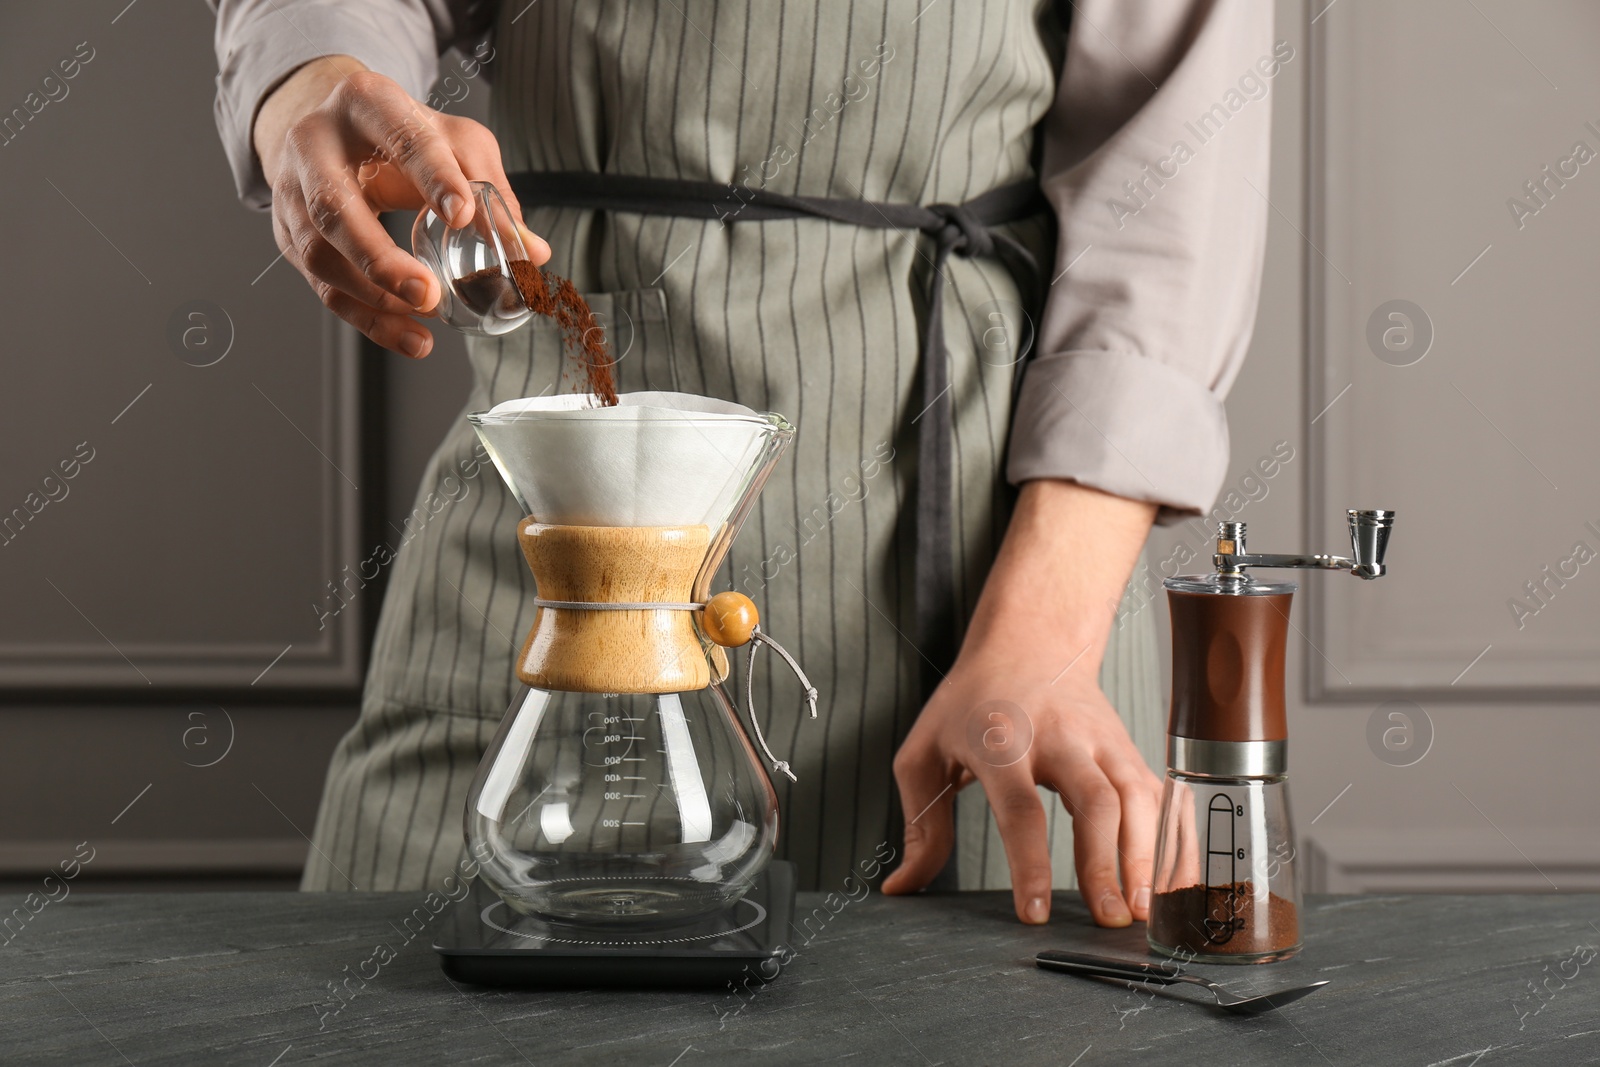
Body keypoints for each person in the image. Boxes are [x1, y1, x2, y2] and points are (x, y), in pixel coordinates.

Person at [210, 0, 1273, 928]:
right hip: (550, 514)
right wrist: (317, 74)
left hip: (991, 601)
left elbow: (1170, 179)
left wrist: (1040, 646)